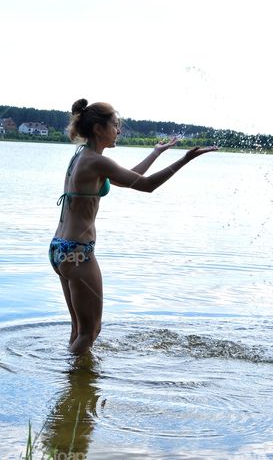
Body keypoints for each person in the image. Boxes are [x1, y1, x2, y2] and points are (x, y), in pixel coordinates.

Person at [49, 98, 217, 354]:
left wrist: (156, 152)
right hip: (78, 252)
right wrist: (185, 160)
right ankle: (74, 385)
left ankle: (71, 382)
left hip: (60, 249)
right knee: (91, 331)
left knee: (79, 330)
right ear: (98, 129)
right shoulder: (96, 161)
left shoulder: (82, 157)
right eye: (115, 125)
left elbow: (130, 177)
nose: (119, 131)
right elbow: (147, 185)